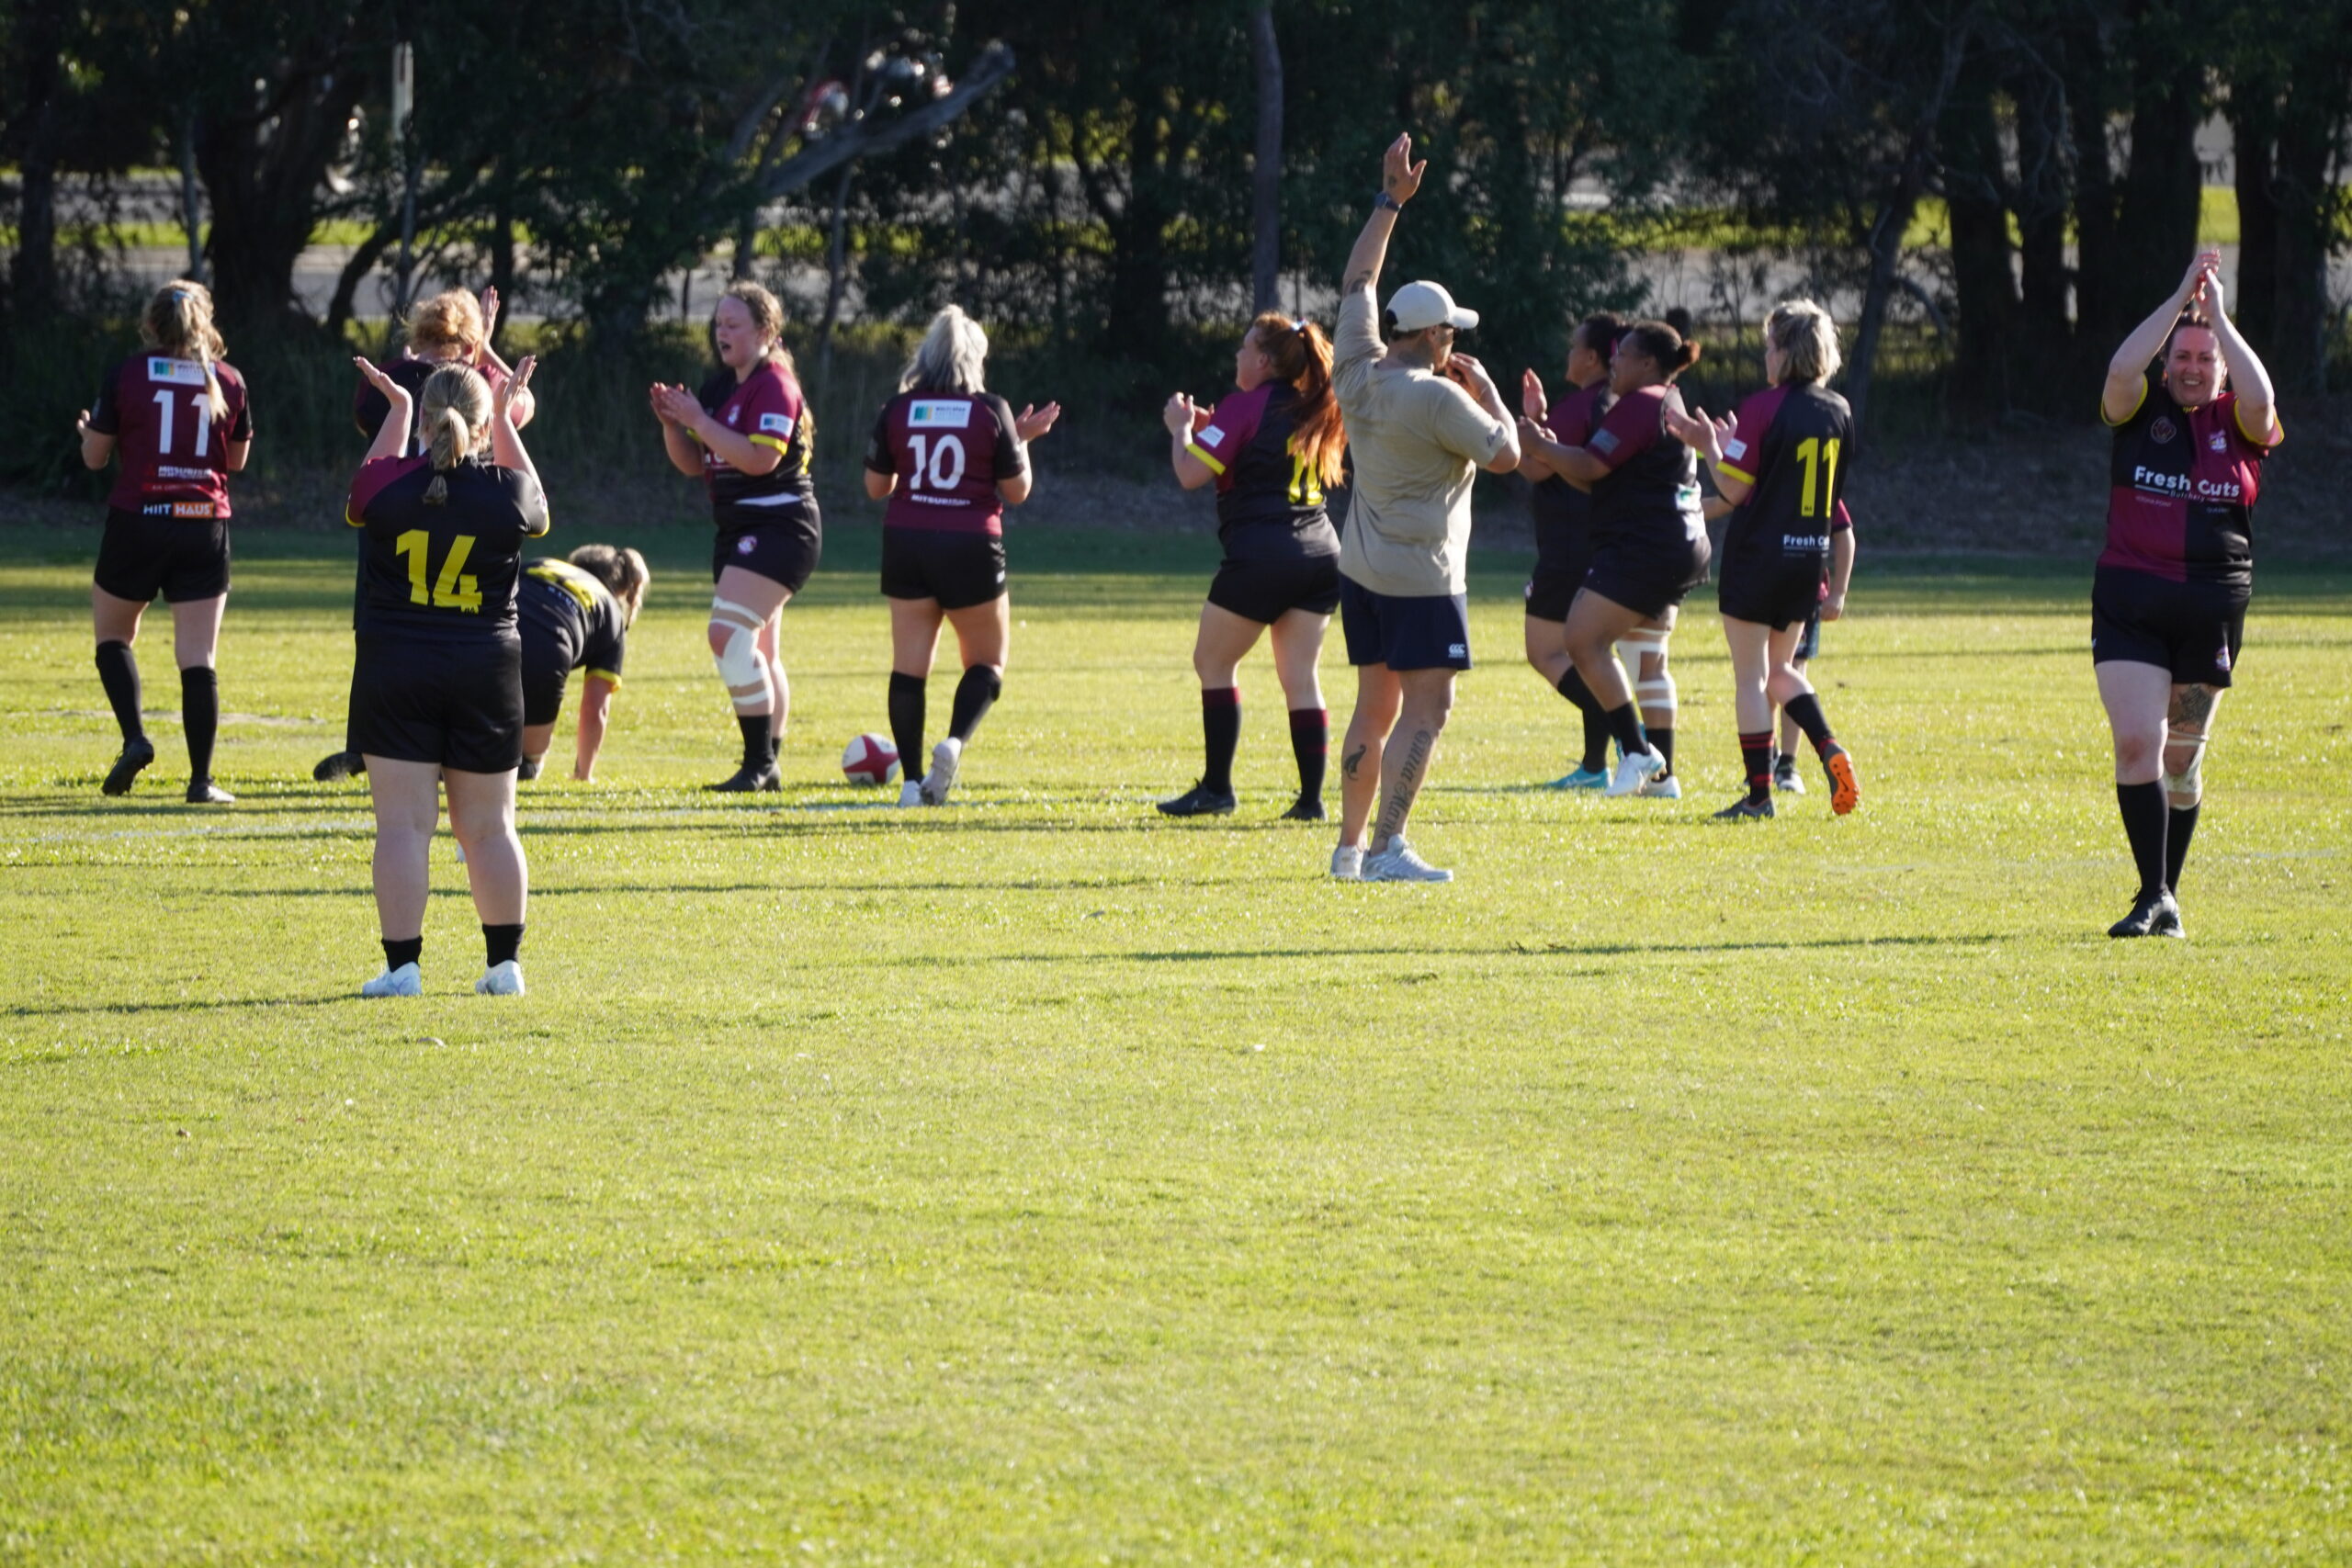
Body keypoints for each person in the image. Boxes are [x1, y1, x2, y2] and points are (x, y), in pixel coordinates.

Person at [1327, 132, 1522, 882]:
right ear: (1435, 336)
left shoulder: (1358, 369)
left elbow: (1356, 284)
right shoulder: (1440, 396)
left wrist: (1388, 203)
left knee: (1373, 706)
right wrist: (1495, 398)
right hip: (1423, 577)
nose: (1454, 342)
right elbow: (1506, 455)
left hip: (1362, 569)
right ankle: (1387, 849)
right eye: (1452, 332)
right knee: (1428, 711)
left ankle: (1348, 849)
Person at [2091, 249, 2281, 939]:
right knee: (2140, 740)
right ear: (2167, 365)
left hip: (2212, 608)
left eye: (2206, 358)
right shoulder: (2140, 409)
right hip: (2131, 601)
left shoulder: (2242, 424)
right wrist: (2179, 299)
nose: (2193, 367)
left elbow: (2263, 399)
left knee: (2182, 761)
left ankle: (2166, 895)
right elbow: (2118, 370)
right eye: (2183, 357)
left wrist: (2219, 317)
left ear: (2222, 366)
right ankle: (2153, 893)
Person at [345, 355, 548, 998]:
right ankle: (504, 965)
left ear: (425, 418)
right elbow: (538, 509)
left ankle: (403, 967)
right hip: (485, 668)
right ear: (485, 424)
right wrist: (509, 420)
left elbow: (360, 495)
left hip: (397, 664)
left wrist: (398, 413)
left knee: (403, 826)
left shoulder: (387, 486)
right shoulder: (506, 491)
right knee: (490, 827)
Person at [316, 286, 536, 783]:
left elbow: (369, 434)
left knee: (376, 624)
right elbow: (522, 412)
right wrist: (488, 352)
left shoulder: (395, 380)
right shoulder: (483, 387)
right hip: (476, 539)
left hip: (396, 519)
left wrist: (400, 398)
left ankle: (364, 742)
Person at [1666, 299, 1861, 819]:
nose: (1766, 356)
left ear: (1786, 351)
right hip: (1808, 560)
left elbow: (1731, 490)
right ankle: (1826, 746)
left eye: (1770, 346)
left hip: (1757, 557)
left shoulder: (1763, 406)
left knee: (1751, 678)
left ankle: (1759, 796)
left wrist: (1709, 445)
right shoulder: (1839, 410)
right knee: (1783, 669)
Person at [863, 306, 1059, 807]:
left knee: (909, 668)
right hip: (971, 542)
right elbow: (1016, 490)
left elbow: (875, 486)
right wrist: (1022, 441)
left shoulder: (897, 409)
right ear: (975, 359)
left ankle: (909, 784)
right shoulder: (990, 410)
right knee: (987, 662)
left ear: (924, 358)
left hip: (907, 541)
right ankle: (952, 743)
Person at [1157, 310, 1348, 818]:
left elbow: (1189, 473)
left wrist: (1179, 430)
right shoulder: (1316, 404)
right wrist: (1216, 427)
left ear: (1263, 360)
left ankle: (1218, 789)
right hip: (1321, 553)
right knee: (1301, 676)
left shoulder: (1245, 405)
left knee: (1212, 663)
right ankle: (1311, 802)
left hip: (1264, 554)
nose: (1237, 355)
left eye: (1245, 348)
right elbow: (1257, 447)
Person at [1515, 319, 1709, 797]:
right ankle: (1662, 779)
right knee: (1648, 658)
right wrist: (1548, 444)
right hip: (1676, 544)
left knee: (1582, 640)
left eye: (1622, 356)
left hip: (1645, 547)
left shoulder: (1641, 403)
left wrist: (1539, 445)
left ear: (1646, 363)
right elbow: (1591, 477)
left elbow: (1587, 464)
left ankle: (1637, 750)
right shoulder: (1665, 399)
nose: (1614, 362)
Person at [76, 279, 252, 804]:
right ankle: (201, 781)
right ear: (207, 324)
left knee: (113, 638)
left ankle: (134, 739)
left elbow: (95, 458)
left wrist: (89, 432)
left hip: (138, 520)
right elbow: (236, 462)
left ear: (150, 324)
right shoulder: (229, 379)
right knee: (198, 657)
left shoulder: (128, 373)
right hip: (203, 523)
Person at [650, 281, 820, 793]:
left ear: (765, 331)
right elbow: (694, 464)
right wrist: (674, 426)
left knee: (726, 634)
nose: (721, 332)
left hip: (780, 525)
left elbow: (760, 459)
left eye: (733, 324)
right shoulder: (721, 385)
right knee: (761, 652)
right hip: (738, 528)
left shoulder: (775, 384)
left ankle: (759, 763)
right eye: (718, 323)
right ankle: (768, 763)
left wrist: (698, 419)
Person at [1517, 311, 1623, 789]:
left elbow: (1532, 467)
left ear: (1593, 357)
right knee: (1591, 653)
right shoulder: (1618, 404)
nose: (1569, 353)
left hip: (1567, 550)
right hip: (1605, 546)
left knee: (1544, 651)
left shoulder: (1580, 406)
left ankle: (1630, 737)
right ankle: (1595, 767)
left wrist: (1531, 420)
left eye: (1575, 345)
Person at [516, 545, 650, 783]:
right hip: (546, 652)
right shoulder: (611, 613)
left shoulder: (540, 562)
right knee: (527, 764)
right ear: (621, 589)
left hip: (489, 639)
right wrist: (584, 774)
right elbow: (595, 708)